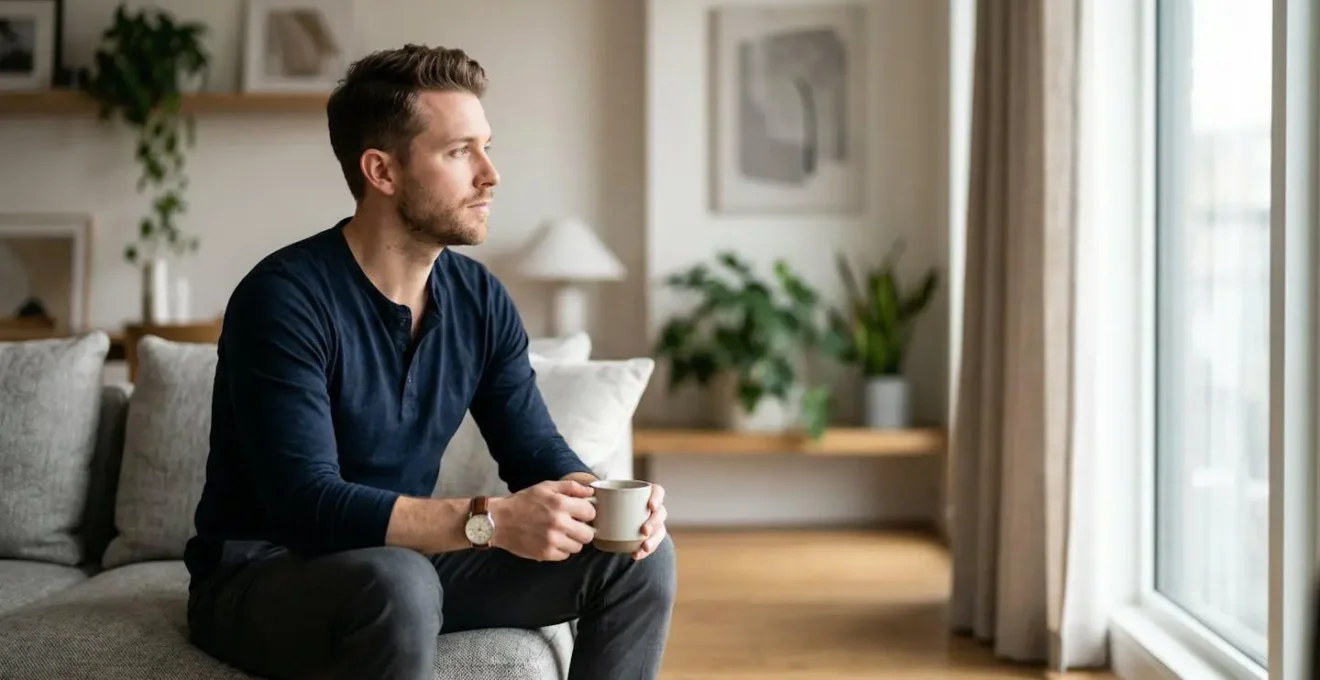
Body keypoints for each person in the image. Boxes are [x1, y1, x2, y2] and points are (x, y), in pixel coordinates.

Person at [183, 44, 676, 680]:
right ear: (382, 171)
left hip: (401, 565)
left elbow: (533, 451)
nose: (490, 175)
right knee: (399, 581)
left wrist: (606, 503)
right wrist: (491, 521)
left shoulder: (479, 299)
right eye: (459, 152)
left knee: (637, 559)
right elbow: (306, 505)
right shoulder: (282, 299)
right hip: (265, 574)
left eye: (486, 147)